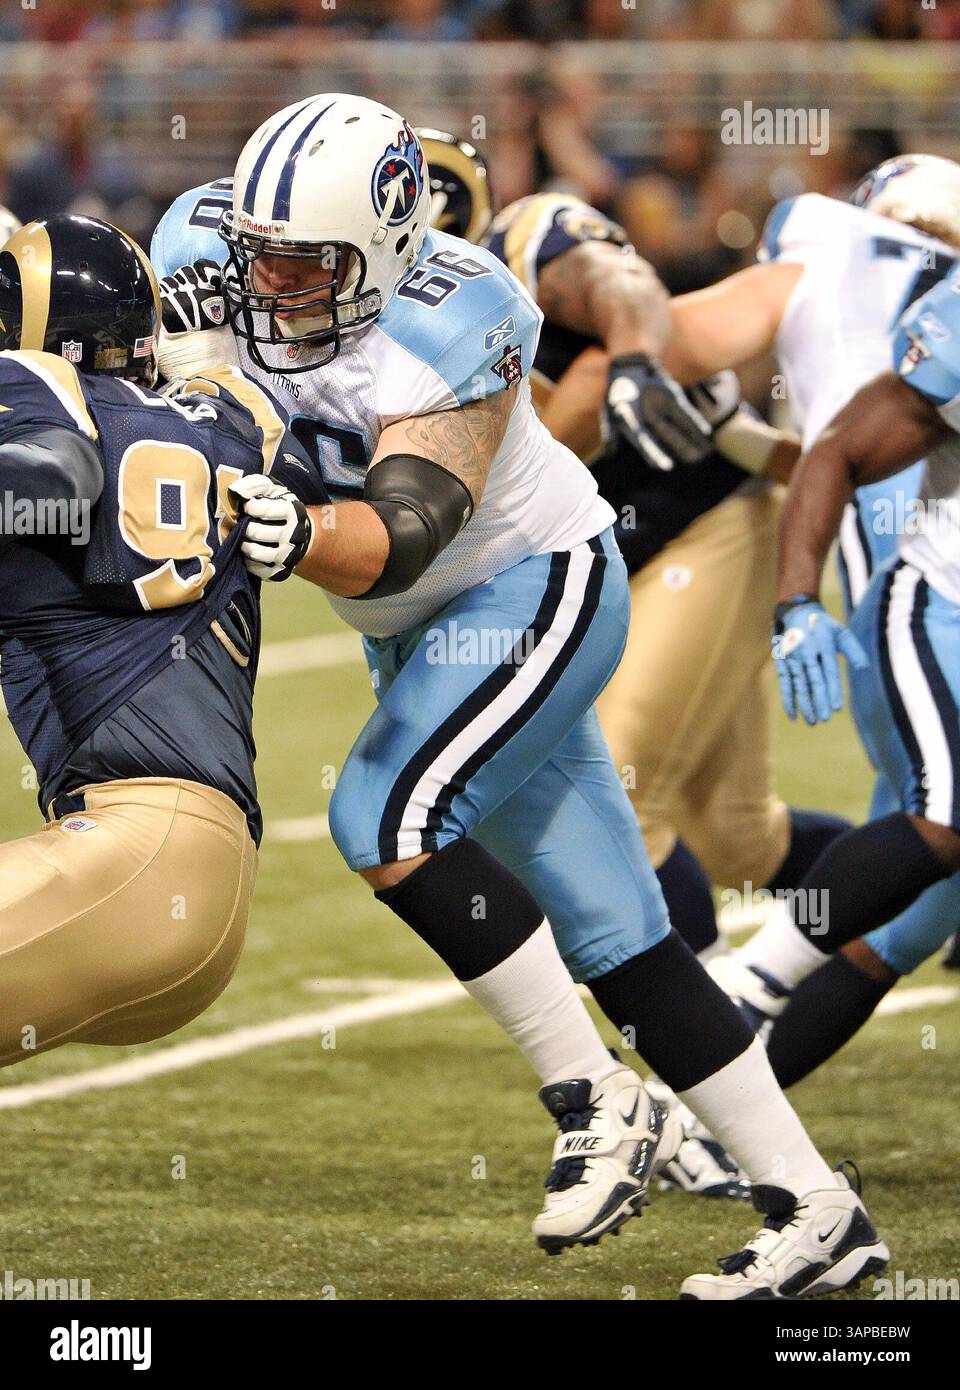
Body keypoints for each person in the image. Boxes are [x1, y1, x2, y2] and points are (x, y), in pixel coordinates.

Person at [151, 94, 888, 1297]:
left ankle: (595, 1097)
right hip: (413, 633)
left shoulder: (464, 316)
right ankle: (817, 1209)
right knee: (623, 936)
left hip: (523, 588)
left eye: (306, 262)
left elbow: (399, 534)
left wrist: (287, 526)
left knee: (381, 817)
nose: (272, 283)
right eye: (258, 254)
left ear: (388, 248)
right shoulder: (205, 250)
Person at [656, 153, 960, 1087]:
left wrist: (719, 421)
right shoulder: (870, 269)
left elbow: (677, 355)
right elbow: (842, 447)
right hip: (924, 595)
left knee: (899, 928)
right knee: (943, 816)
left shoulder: (843, 262)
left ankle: (726, 1118)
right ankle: (747, 982)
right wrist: (797, 603)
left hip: (867, 566)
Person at [0, 213, 326, 1064]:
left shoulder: (34, 390)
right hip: (199, 889)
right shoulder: (228, 415)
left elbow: (59, 475)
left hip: (124, 854)